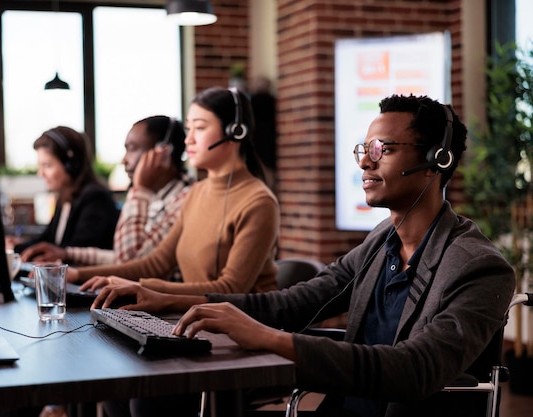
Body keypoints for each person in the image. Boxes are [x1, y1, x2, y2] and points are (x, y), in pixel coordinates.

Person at [88, 94, 516, 417]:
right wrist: (168, 298)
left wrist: (273, 340)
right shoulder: (382, 241)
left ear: (435, 160)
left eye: (381, 150)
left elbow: (417, 369)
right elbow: (292, 303)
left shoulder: (479, 267)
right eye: (363, 150)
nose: (365, 164)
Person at [73, 86, 279, 297]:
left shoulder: (258, 202)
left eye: (199, 128)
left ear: (235, 131)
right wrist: (76, 274)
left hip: (243, 325)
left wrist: (145, 289)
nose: (188, 140)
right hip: (195, 320)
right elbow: (156, 263)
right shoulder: (196, 192)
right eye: (189, 129)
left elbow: (230, 289)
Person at [19, 116, 193, 272]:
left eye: (132, 149)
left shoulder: (184, 200)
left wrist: (140, 189)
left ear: (163, 152)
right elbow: (119, 257)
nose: (124, 160)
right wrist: (68, 255)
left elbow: (129, 262)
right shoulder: (154, 199)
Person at [10, 126, 118, 256]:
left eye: (47, 166)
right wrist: (15, 246)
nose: (40, 173)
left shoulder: (96, 198)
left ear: (71, 165)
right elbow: (48, 240)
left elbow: (74, 251)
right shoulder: (65, 197)